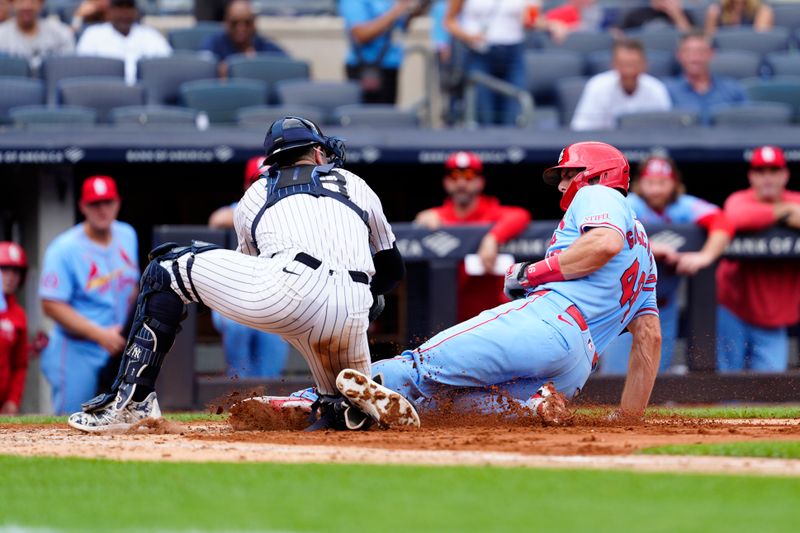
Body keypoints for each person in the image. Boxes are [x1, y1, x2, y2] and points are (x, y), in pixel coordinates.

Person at [68, 116, 418, 433]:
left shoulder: (256, 192)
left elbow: (254, 270)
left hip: (291, 290)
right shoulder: (355, 183)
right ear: (315, 152)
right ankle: (345, 409)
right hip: (353, 307)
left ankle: (130, 402)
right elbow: (392, 269)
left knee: (165, 268)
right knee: (338, 399)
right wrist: (372, 298)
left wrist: (198, 296)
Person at [273, 142, 661, 425]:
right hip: (575, 370)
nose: (562, 186)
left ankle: (307, 402)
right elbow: (650, 338)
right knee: (448, 407)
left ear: (596, 174)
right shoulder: (645, 256)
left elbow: (603, 242)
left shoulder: (599, 194)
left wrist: (532, 273)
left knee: (419, 370)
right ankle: (539, 408)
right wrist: (629, 418)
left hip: (551, 322)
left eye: (568, 174)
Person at [602, 153, 734, 374]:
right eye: (650, 183)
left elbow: (722, 221)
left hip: (663, 305)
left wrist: (705, 256)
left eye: (662, 183)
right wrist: (649, 247)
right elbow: (603, 235)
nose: (656, 189)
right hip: (622, 305)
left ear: (674, 184)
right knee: (615, 376)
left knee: (655, 376)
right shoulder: (627, 204)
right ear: (639, 184)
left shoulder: (683, 206)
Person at [39, 176, 139, 415]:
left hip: (117, 346)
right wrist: (100, 334)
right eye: (95, 203)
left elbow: (133, 286)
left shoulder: (127, 234)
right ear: (82, 207)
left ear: (117, 203)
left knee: (119, 421)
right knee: (72, 420)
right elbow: (51, 304)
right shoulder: (64, 248)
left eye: (107, 202)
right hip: (76, 349)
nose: (102, 209)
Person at [414, 151, 531, 322]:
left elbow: (521, 215)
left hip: (496, 314)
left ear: (480, 182)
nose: (461, 183)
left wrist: (492, 238)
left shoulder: (492, 211)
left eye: (469, 176)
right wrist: (420, 221)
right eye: (454, 176)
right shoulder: (436, 216)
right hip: (451, 315)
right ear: (446, 182)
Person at [716, 145, 800, 372]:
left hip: (774, 318)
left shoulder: (796, 199)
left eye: (774, 171)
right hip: (733, 308)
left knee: (770, 391)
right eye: (761, 172)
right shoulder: (740, 199)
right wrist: (784, 214)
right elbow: (735, 217)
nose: (768, 178)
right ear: (751, 176)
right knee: (727, 385)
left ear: (785, 175)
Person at [207, 156, 290, 378]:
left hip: (273, 298)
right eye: (257, 182)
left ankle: (262, 403)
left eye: (269, 180)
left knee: (270, 370)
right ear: (247, 187)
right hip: (234, 298)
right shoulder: (240, 209)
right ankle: (238, 389)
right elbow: (216, 219)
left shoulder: (290, 211)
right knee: (237, 326)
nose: (264, 187)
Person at [444, 0, 531, 125]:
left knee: (512, 115)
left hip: (513, 54)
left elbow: (530, 19)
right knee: (485, 117)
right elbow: (449, 20)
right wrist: (468, 36)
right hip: (480, 54)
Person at [340, 0, 430, 104]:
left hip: (390, 65)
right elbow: (361, 34)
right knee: (367, 115)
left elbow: (399, 25)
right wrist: (398, 9)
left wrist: (418, 7)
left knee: (388, 113)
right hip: (365, 67)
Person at [571, 39, 671, 131]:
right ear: (613, 64)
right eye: (623, 64)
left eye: (633, 64)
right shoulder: (597, 86)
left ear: (644, 65)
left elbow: (666, 129)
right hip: (606, 146)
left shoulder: (656, 88)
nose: (628, 70)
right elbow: (581, 128)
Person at [76, 0, 171, 84]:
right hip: (105, 93)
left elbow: (166, 67)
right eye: (119, 7)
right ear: (109, 11)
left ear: (136, 11)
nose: (124, 13)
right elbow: (83, 72)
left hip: (145, 94)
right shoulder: (93, 34)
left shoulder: (151, 35)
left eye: (129, 7)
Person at [666, 30, 748, 126]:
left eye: (700, 52)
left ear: (711, 54)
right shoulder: (666, 91)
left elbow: (746, 125)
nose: (695, 58)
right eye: (688, 52)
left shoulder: (733, 89)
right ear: (679, 55)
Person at [201, 0, 286, 78]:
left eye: (247, 22)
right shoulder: (214, 43)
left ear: (254, 23)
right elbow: (203, 67)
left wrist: (260, 65)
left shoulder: (264, 45)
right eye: (235, 23)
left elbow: (287, 66)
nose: (241, 28)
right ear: (226, 22)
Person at [0, 0, 75, 71]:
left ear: (41, 4)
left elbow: (68, 66)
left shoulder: (59, 32)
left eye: (33, 1)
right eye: (21, 1)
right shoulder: (2, 34)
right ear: (12, 4)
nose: (27, 6)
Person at [0, 242, 29, 415]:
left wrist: (13, 400)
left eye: (16, 271)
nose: (11, 277)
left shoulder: (19, 315)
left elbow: (20, 364)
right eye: (4, 270)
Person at [616, 0, 694, 32]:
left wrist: (677, 16)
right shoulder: (635, 14)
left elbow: (692, 40)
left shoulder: (683, 14)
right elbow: (618, 33)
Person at [704, 0, 773, 36]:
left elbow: (759, 40)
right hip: (724, 53)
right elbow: (710, 40)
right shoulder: (715, 10)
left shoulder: (762, 11)